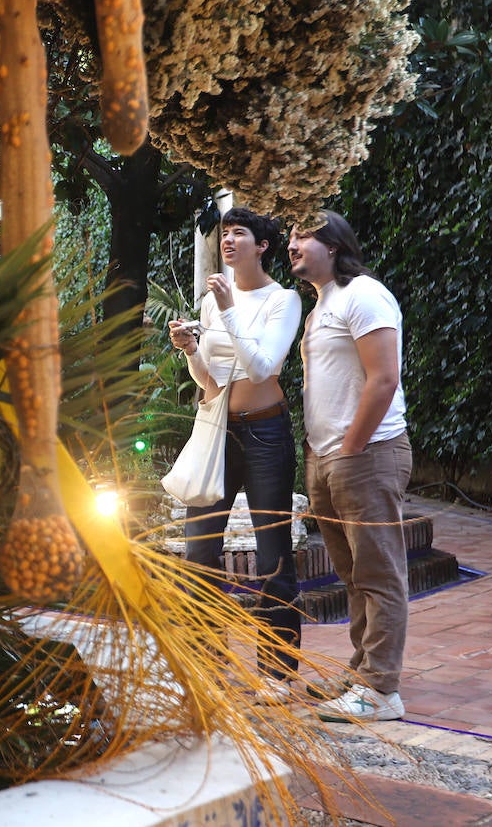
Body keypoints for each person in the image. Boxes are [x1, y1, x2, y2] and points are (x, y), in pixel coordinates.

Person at [168, 207, 304, 699]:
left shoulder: (283, 299)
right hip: (218, 430)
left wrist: (228, 310)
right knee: (199, 549)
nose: (228, 240)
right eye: (224, 233)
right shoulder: (212, 301)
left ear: (261, 245)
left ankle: (276, 672)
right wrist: (191, 349)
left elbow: (263, 367)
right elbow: (209, 379)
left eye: (239, 233)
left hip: (266, 432)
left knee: (272, 553)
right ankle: (207, 664)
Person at [288, 209, 412, 723]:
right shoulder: (321, 306)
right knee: (354, 575)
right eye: (291, 235)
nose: (292, 243)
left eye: (303, 234)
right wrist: (322, 453)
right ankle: (362, 672)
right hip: (328, 457)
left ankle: (381, 690)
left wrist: (352, 447)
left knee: (378, 573)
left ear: (334, 244)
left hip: (366, 454)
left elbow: (383, 378)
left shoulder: (364, 294)